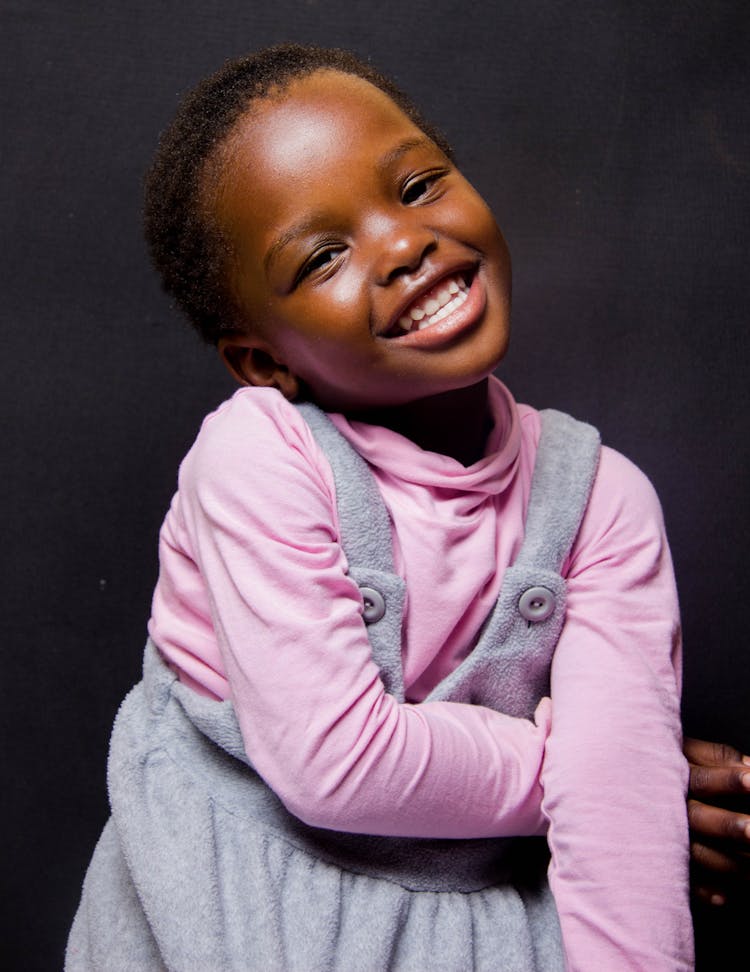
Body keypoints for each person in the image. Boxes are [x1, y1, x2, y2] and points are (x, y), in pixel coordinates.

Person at [66, 44, 746, 972]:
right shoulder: (257, 456)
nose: (402, 244)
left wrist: (621, 792)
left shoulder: (602, 501)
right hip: (236, 906)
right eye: (324, 256)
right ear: (266, 361)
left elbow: (623, 874)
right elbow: (338, 760)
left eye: (420, 184)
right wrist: (604, 775)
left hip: (476, 923)